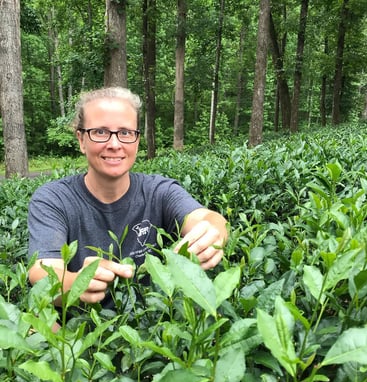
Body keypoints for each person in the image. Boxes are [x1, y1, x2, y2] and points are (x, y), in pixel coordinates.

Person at [28, 86, 228, 310]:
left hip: (152, 328)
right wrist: (77, 283)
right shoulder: (54, 199)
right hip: (80, 335)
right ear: (81, 140)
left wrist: (214, 231)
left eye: (125, 133)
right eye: (101, 132)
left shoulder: (158, 191)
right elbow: (41, 271)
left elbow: (208, 218)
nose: (114, 144)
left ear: (137, 140)